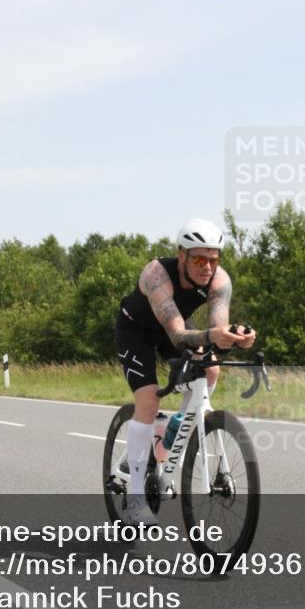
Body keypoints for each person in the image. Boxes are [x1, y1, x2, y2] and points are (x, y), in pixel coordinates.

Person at [114, 218, 255, 526]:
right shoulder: (156, 275)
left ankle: (175, 429)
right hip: (137, 331)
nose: (207, 266)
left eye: (213, 259)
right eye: (199, 259)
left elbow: (217, 328)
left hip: (173, 330)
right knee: (148, 402)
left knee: (212, 368)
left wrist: (236, 337)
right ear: (182, 256)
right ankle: (136, 498)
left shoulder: (220, 281)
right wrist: (213, 336)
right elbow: (178, 335)